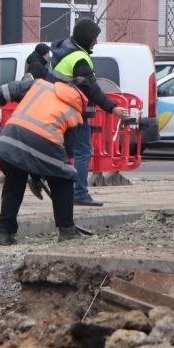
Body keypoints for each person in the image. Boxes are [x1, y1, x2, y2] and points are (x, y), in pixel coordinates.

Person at [0, 75, 89, 244]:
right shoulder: (75, 113)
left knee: (14, 184)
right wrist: (43, 172)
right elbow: (64, 156)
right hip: (44, 145)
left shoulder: (39, 85)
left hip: (10, 140)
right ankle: (67, 230)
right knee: (64, 179)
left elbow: (5, 90)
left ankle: (4, 233)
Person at [47, 18, 131, 207]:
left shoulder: (63, 52)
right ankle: (79, 193)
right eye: (94, 38)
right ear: (86, 38)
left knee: (65, 152)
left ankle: (63, 191)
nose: (96, 42)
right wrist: (114, 108)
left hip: (58, 110)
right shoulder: (79, 59)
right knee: (83, 151)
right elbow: (93, 90)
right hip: (74, 112)